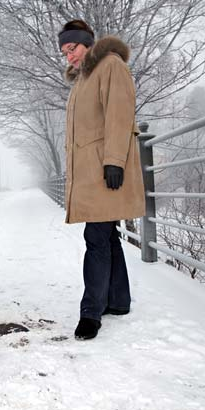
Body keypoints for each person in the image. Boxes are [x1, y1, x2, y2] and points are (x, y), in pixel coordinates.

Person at [58, 20, 145, 340]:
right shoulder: (84, 78)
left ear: (88, 44)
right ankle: (118, 301)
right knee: (105, 236)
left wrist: (114, 162)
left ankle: (90, 313)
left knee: (95, 239)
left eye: (73, 48)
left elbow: (120, 114)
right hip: (92, 171)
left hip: (104, 169)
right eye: (65, 51)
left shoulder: (110, 65)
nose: (69, 55)